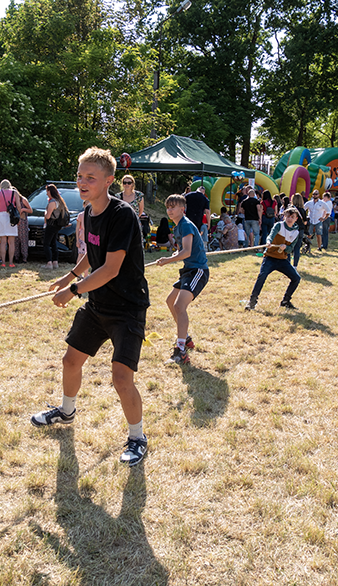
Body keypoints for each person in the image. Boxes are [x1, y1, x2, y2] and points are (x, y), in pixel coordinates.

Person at [30, 147, 150, 467]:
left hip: (127, 307)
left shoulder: (122, 214)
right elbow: (92, 254)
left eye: (90, 178)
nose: (82, 182)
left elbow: (110, 268)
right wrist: (70, 275)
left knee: (121, 378)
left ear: (109, 181)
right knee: (71, 360)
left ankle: (137, 437)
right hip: (98, 304)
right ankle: (67, 412)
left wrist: (73, 291)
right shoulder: (86, 215)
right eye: (80, 176)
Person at [156, 194, 209, 365]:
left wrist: (167, 260)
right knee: (171, 301)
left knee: (179, 305)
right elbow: (184, 251)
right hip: (188, 270)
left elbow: (186, 252)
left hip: (197, 271)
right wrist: (174, 255)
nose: (170, 210)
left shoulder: (185, 225)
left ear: (182, 209)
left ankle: (181, 351)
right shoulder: (178, 226)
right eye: (168, 207)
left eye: (173, 207)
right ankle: (185, 338)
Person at [245, 206, 302, 311]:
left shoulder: (296, 232)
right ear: (284, 216)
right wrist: (268, 242)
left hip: (282, 260)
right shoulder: (278, 225)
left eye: (292, 217)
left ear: (296, 219)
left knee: (296, 278)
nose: (290, 219)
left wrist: (286, 248)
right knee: (262, 276)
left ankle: (286, 301)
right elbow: (270, 236)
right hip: (270, 258)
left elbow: (291, 249)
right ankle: (252, 302)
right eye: (288, 216)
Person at [0, 180, 20, 268]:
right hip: (12, 217)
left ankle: (3, 262)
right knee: (11, 242)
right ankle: (11, 262)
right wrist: (19, 217)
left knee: (3, 241)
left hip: (2, 215)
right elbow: (18, 206)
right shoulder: (15, 192)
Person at [42, 183, 69, 269]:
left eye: (47, 191)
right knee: (54, 243)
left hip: (51, 225)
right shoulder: (60, 201)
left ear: (50, 191)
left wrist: (45, 212)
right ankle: (55, 262)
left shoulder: (52, 202)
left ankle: (49, 262)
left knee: (46, 243)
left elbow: (48, 216)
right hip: (57, 225)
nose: (46, 193)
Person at [291, 192, 307, 267]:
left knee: (289, 248)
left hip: (292, 230)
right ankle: (295, 266)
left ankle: (287, 265)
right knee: (297, 248)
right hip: (300, 230)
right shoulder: (303, 210)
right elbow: (305, 222)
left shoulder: (291, 209)